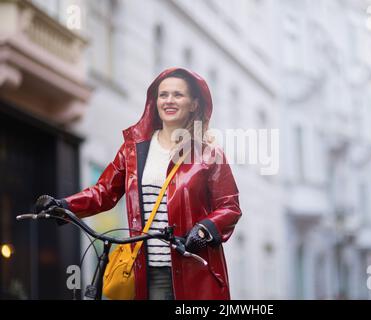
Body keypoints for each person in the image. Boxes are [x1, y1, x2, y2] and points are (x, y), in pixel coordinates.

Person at [34, 67, 242, 300]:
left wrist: (204, 229)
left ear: (194, 104)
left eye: (178, 95)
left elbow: (230, 206)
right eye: (163, 95)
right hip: (147, 271)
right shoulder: (133, 151)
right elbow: (104, 192)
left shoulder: (209, 154)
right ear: (155, 102)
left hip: (196, 272)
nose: (169, 100)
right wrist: (64, 206)